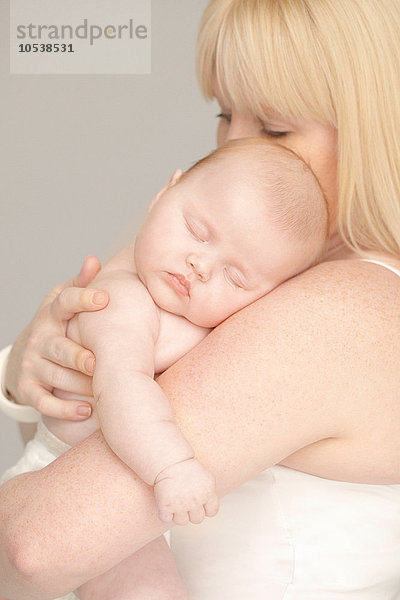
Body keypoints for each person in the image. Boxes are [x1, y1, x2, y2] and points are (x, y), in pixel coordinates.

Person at [1, 0, 400, 598]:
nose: (232, 147)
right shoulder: (232, 283)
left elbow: (35, 548)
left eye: (274, 127)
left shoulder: (347, 306)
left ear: (377, 126)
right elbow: (59, 466)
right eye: (224, 113)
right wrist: (35, 381)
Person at [1, 138, 327, 600]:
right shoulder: (121, 301)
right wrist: (172, 468)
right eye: (197, 229)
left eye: (235, 277)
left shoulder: (187, 307)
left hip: (107, 490)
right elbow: (120, 389)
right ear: (164, 192)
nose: (199, 265)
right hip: (62, 480)